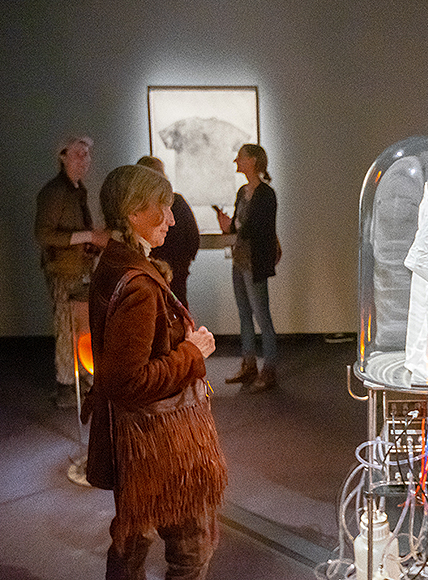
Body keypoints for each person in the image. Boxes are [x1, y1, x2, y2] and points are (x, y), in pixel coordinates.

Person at [82, 164, 227, 579]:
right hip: (158, 441)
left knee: (133, 535)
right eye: (161, 208)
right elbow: (129, 382)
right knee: (191, 548)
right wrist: (192, 352)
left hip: (132, 438)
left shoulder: (116, 264)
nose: (171, 219)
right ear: (133, 213)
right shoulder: (139, 286)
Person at [35, 135, 109, 409]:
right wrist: (88, 236)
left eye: (87, 154)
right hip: (64, 271)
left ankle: (81, 378)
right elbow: (43, 234)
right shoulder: (55, 192)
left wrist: (91, 242)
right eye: (78, 154)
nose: (84, 160)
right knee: (67, 328)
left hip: (80, 269)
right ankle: (66, 385)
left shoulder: (76, 190)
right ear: (62, 156)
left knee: (80, 327)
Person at [215, 144, 280, 393]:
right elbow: (240, 227)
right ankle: (249, 365)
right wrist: (228, 225)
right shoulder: (243, 192)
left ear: (252, 161)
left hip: (254, 262)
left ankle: (269, 369)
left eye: (240, 158)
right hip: (240, 260)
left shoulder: (266, 194)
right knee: (245, 314)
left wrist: (233, 227)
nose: (236, 161)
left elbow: (256, 229)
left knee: (262, 316)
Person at [136, 156, 201, 308]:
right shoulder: (177, 201)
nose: (170, 221)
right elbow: (193, 239)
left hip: (158, 268)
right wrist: (183, 263)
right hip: (174, 269)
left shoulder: (142, 206)